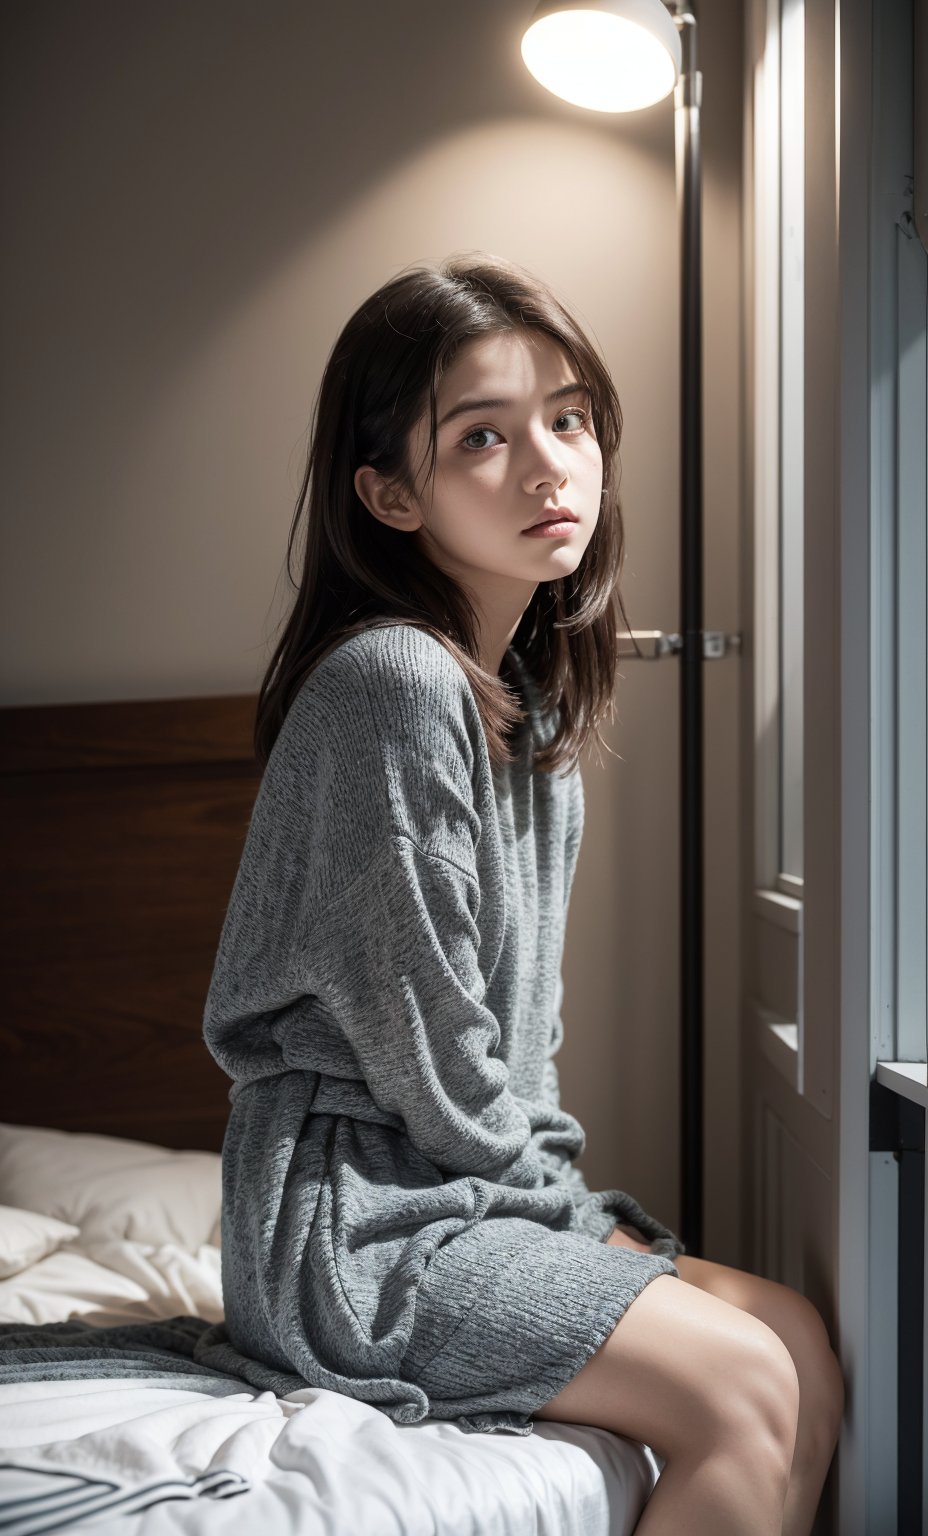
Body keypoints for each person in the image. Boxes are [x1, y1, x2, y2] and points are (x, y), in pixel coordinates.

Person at [201, 253, 844, 1535]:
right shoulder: (391, 684)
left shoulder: (530, 713)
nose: (549, 467)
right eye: (481, 438)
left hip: (462, 1189)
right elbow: (433, 1055)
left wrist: (565, 1212)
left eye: (568, 417)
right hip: (358, 1223)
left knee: (796, 1335)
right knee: (740, 1380)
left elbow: (518, 1041)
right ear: (388, 492)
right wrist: (566, 1219)